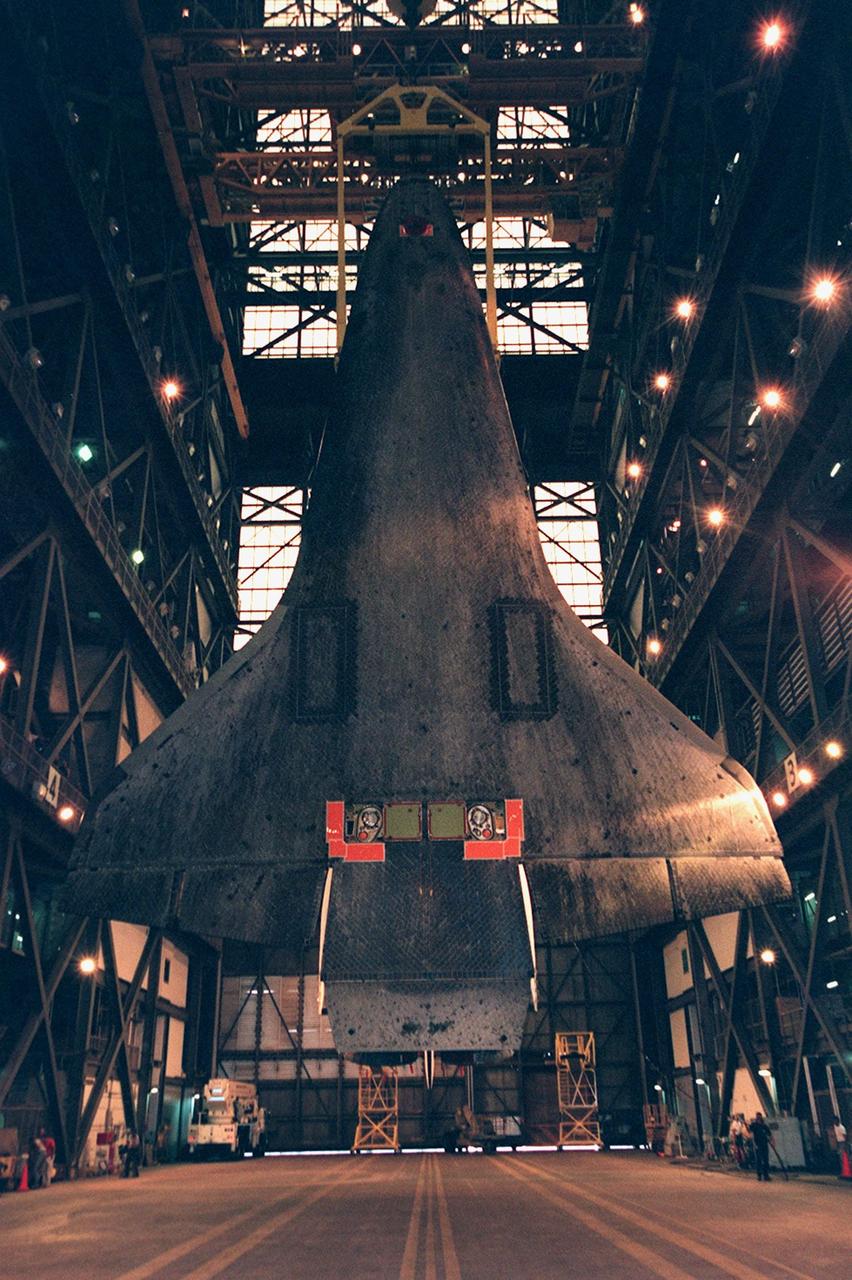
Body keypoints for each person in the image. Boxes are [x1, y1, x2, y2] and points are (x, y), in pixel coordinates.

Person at [750, 1112, 772, 1182]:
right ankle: (759, 1175)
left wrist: (771, 1140)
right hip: (758, 1145)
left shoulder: (764, 1126)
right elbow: (750, 1131)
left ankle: (766, 1175)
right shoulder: (754, 1125)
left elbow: (769, 1134)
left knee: (766, 1160)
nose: (758, 1118)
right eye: (757, 1117)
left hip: (764, 1144)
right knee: (759, 1160)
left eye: (759, 1117)